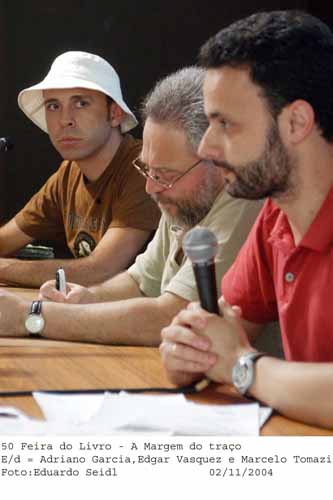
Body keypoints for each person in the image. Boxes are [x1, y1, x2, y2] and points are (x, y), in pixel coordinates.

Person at [0, 67, 262, 346]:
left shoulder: (245, 199)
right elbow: (139, 282)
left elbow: (176, 316)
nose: (151, 188)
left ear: (217, 157)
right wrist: (87, 299)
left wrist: (33, 316)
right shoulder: (178, 192)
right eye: (148, 170)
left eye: (166, 175)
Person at [160, 11, 333, 429]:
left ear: (296, 122)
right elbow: (222, 333)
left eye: (225, 124)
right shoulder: (276, 214)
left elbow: (236, 356)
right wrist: (191, 351)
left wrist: (241, 365)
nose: (206, 146)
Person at [0, 51, 160, 287]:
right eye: (53, 106)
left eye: (81, 103)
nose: (65, 120)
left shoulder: (143, 166)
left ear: (115, 113)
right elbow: (5, 241)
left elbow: (100, 271)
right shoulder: (68, 174)